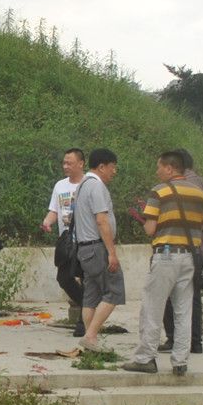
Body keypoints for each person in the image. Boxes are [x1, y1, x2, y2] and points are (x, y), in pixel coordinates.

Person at [126, 151, 203, 376]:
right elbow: (201, 225)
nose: (157, 172)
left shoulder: (159, 191)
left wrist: (146, 220)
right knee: (183, 310)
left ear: (170, 168)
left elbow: (150, 229)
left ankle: (145, 358)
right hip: (190, 257)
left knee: (152, 307)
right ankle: (180, 361)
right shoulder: (200, 194)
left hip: (166, 255)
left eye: (159, 167)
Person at [161, 149, 203, 356]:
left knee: (173, 295)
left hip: (184, 245)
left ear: (175, 166)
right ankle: (195, 341)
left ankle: (176, 339)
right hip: (202, 246)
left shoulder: (184, 187)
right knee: (193, 295)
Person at [74, 148, 123, 354]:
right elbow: (102, 220)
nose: (114, 172)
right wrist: (111, 252)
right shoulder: (96, 186)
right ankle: (91, 335)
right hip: (97, 247)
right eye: (112, 167)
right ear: (102, 167)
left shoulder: (82, 185)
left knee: (91, 296)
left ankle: (90, 344)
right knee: (115, 291)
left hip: (85, 249)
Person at [40, 148, 88, 333]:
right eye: (64, 163)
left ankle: (84, 323)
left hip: (86, 239)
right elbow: (54, 210)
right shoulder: (60, 185)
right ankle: (88, 305)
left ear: (81, 164)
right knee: (64, 278)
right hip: (67, 242)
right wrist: (47, 221)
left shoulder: (90, 183)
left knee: (85, 279)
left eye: (70, 163)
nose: (65, 166)